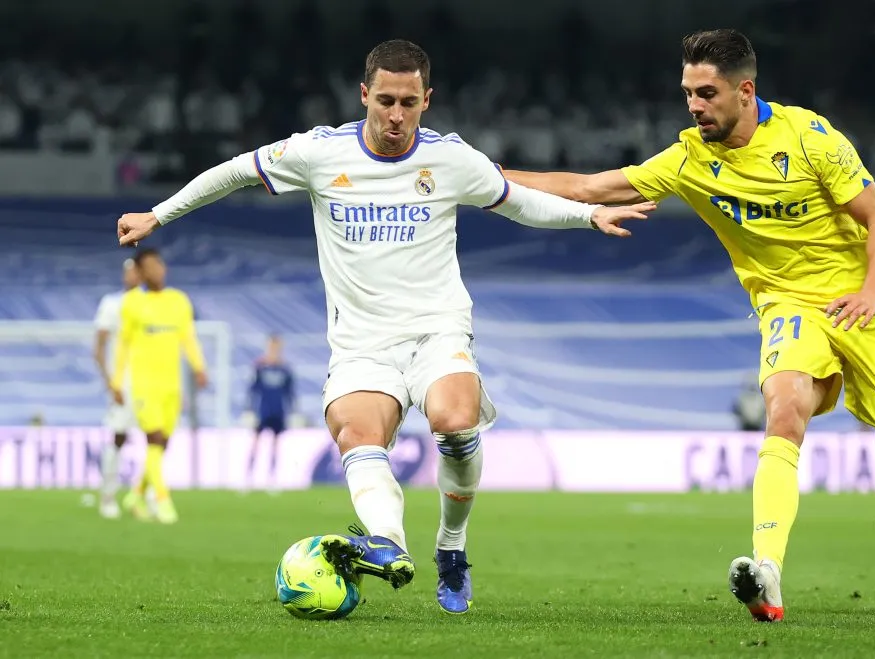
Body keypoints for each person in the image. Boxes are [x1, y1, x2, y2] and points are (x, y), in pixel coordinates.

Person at [115, 39, 653, 614]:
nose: (396, 115)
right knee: (357, 433)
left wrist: (589, 215)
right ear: (365, 94)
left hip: (436, 330)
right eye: (387, 101)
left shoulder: (450, 159)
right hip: (361, 343)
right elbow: (234, 172)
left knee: (454, 422)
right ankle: (389, 544)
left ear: (427, 100)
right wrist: (159, 213)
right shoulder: (320, 152)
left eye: (410, 103)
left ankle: (451, 544)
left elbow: (519, 202)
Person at [503, 28, 875, 622]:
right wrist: (490, 177)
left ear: (745, 90)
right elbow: (588, 187)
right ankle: (768, 572)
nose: (694, 106)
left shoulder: (810, 138)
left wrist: (867, 290)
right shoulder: (689, 158)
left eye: (706, 93)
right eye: (687, 93)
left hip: (869, 307)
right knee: (783, 409)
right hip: (789, 307)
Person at [111, 248, 208, 524]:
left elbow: (188, 337)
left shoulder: (178, 300)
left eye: (159, 264)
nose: (157, 270)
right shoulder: (131, 303)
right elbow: (122, 344)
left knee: (161, 445)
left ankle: (135, 494)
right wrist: (117, 382)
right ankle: (163, 501)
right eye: (150, 266)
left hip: (171, 386)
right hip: (144, 385)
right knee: (153, 439)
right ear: (140, 273)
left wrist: (199, 367)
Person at [93, 257, 140, 519]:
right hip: (123, 383)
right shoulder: (112, 304)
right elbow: (98, 346)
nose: (131, 276)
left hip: (150, 383)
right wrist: (110, 382)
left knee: (155, 439)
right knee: (118, 436)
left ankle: (146, 496)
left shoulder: (151, 304)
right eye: (129, 272)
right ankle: (108, 496)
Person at [246, 334, 295, 491]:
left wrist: (292, 412)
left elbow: (290, 393)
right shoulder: (259, 367)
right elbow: (252, 390)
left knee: (275, 445)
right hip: (262, 410)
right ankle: (248, 479)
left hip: (278, 410)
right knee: (255, 444)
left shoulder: (285, 369)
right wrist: (250, 410)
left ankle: (272, 479)